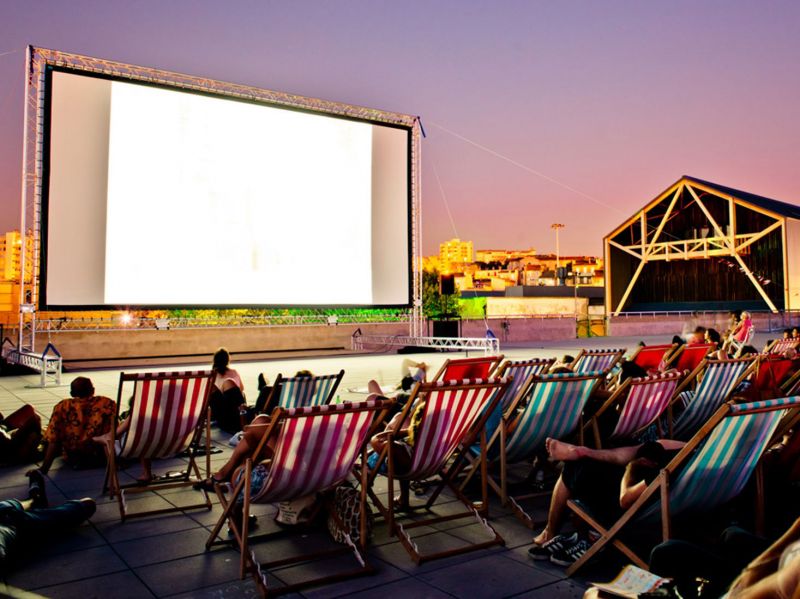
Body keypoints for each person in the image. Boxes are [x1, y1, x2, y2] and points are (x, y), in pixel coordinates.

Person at [528, 437, 685, 566]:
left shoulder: (672, 466)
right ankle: (583, 452)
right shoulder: (695, 451)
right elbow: (657, 445)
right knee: (645, 447)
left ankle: (578, 537)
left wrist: (632, 467)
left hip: (633, 503)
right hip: (639, 474)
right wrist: (586, 452)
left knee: (577, 468)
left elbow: (626, 499)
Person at [0, 471, 96, 575]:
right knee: (86, 505)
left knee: (7, 508)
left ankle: (33, 500)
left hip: (10, 517)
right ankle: (34, 500)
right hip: (16, 524)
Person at [39, 377, 115, 473]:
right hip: (101, 452)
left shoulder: (63, 406)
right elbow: (113, 430)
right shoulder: (106, 403)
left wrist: (44, 468)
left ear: (72, 393)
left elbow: (54, 438)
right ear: (93, 390)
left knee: (52, 431)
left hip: (74, 455)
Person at [208, 348, 246, 434]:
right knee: (228, 382)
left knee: (223, 383)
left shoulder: (211, 376)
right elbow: (241, 389)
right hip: (237, 415)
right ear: (227, 360)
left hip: (222, 418)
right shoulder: (234, 372)